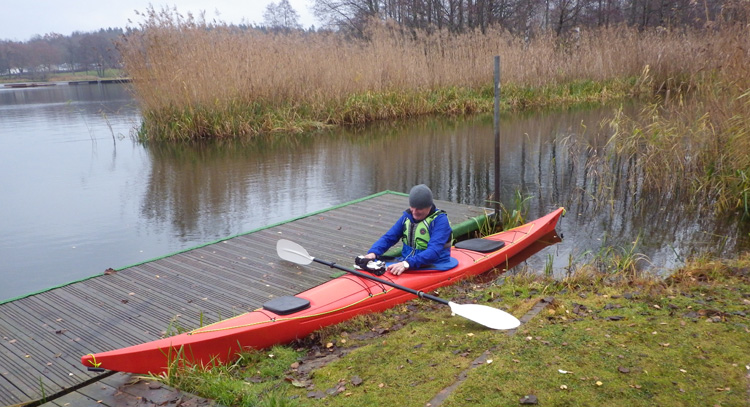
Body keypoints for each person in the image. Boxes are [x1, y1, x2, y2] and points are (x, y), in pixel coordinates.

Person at [361, 184, 457, 276]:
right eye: (412, 207)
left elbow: (433, 251)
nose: (414, 212)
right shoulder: (407, 217)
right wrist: (373, 252)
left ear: (429, 207)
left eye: (419, 209)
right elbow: (389, 237)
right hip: (407, 262)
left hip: (434, 264)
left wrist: (406, 264)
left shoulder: (440, 221)